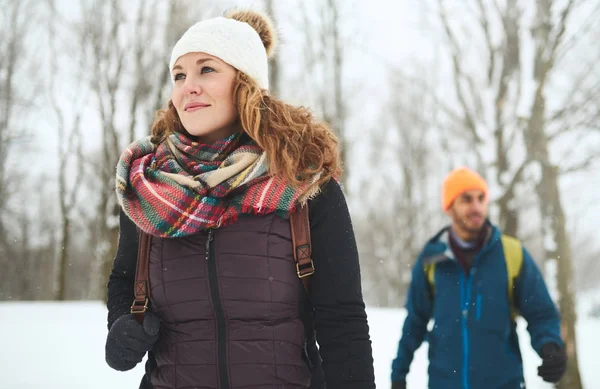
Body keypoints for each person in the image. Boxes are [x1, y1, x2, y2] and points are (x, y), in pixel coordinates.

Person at [104, 9, 375, 389]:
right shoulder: (151, 187)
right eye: (179, 75)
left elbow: (342, 320)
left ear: (245, 83)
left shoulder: (304, 183)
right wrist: (120, 326)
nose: (188, 86)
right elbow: (124, 279)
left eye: (206, 69)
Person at [390, 167, 567, 389]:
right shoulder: (432, 258)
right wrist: (399, 373)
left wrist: (550, 346)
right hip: (444, 383)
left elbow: (541, 312)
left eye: (481, 198)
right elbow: (415, 322)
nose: (476, 206)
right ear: (450, 206)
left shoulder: (511, 253)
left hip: (504, 383)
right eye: (466, 199)